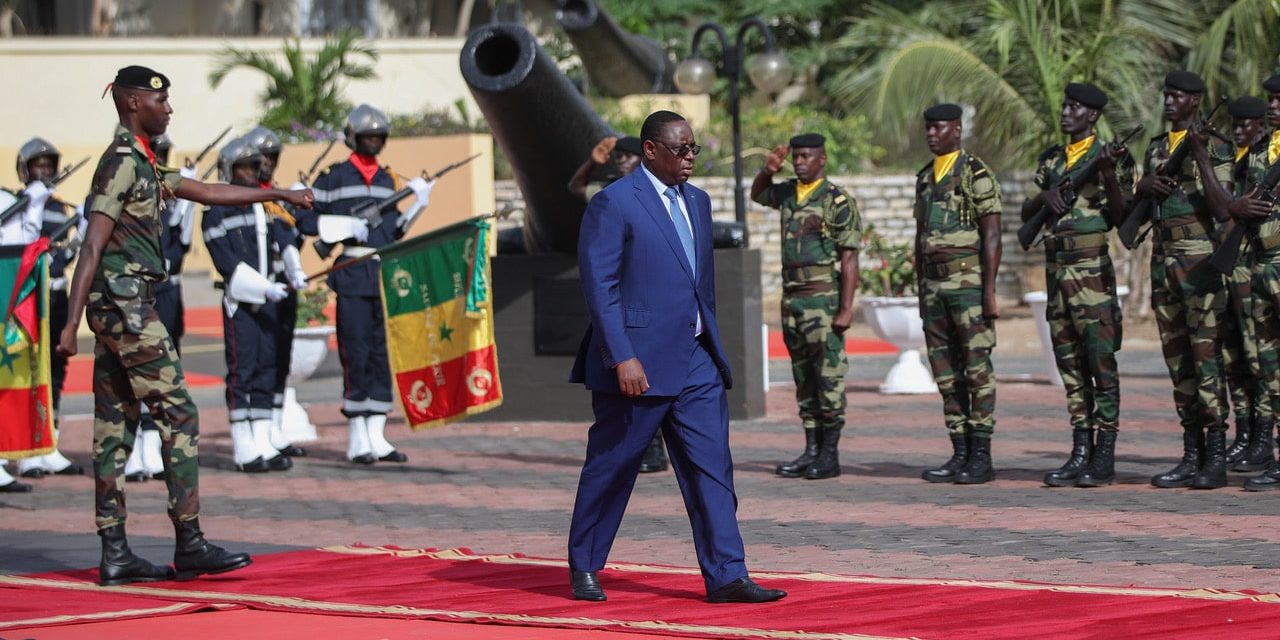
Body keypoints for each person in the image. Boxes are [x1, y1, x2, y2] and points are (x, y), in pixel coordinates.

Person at [56, 65, 314, 586]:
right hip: (126, 307)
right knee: (180, 414)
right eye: (160, 101)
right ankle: (190, 542)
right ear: (133, 104)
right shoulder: (122, 163)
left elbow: (204, 191)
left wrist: (277, 195)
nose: (168, 109)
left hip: (121, 307)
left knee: (115, 425)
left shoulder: (144, 163)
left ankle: (116, 552)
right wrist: (68, 326)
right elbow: (92, 244)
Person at [567, 110, 786, 604]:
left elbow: (697, 283)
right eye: (680, 149)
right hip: (637, 364)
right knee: (612, 466)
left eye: (694, 149)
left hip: (697, 360)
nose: (690, 157)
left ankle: (728, 574)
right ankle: (584, 564)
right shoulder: (614, 203)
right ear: (650, 149)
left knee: (712, 468)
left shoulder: (700, 202)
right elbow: (600, 287)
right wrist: (621, 355)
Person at [300, 104, 430, 465]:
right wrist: (342, 226)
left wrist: (418, 205)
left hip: (382, 271)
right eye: (366, 136)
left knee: (379, 353)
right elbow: (308, 220)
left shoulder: (389, 180)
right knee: (355, 352)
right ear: (352, 138)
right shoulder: (334, 177)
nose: (373, 141)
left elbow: (392, 232)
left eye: (378, 136)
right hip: (353, 272)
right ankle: (358, 437)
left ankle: (377, 434)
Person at [1021, 84, 1133, 488]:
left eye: (1076, 107)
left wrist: (1106, 174)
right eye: (1065, 104)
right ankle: (1080, 448)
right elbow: (1026, 213)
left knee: (1099, 361)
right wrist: (1046, 196)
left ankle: (1104, 453)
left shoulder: (1112, 157)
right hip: (1057, 272)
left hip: (1091, 274)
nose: (1066, 112)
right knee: (1069, 363)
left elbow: (1123, 218)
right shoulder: (1052, 158)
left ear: (1093, 116)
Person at [1132, 71, 1234, 490]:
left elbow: (1223, 208)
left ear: (1196, 100)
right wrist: (1144, 184)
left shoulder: (1218, 147)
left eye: (1178, 96)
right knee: (1179, 362)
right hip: (1163, 266)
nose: (1169, 101)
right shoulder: (1157, 148)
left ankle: (1215, 457)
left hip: (1200, 268)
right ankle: (1190, 453)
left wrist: (1201, 156)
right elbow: (1140, 205)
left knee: (1207, 361)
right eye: (1167, 94)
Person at [751, 133, 861, 480]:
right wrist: (767, 171)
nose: (798, 162)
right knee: (803, 377)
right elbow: (757, 194)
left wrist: (845, 309)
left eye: (805, 157)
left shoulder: (836, 200)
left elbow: (849, 258)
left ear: (822, 159)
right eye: (795, 157)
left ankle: (830, 454)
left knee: (828, 375)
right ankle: (811, 449)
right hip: (792, 299)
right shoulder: (786, 193)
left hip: (822, 299)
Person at [567, 134, 670, 473]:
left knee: (651, 374)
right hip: (619, 295)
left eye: (630, 156)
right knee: (626, 379)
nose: (624, 161)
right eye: (619, 157)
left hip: (648, 295)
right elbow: (575, 189)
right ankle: (640, 448)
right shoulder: (610, 195)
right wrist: (592, 161)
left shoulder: (658, 193)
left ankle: (654, 449)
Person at [914, 103, 1003, 485]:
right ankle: (959, 451)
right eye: (928, 128)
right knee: (946, 372)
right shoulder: (924, 178)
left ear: (957, 129)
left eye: (939, 127)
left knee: (976, 370)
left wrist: (989, 292)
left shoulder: (976, 173)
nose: (932, 134)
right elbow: (920, 236)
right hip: (933, 289)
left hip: (967, 286)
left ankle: (981, 455)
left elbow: (993, 234)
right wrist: (920, 287)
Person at [202, 137, 299, 474]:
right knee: (242, 370)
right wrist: (263, 287)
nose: (248, 172)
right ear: (229, 169)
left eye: (253, 166)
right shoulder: (215, 211)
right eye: (242, 166)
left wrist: (293, 270)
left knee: (267, 368)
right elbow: (226, 262)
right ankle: (243, 443)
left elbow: (283, 240)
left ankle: (262, 437)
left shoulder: (265, 206)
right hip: (241, 301)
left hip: (270, 297)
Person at [13, 137, 86, 479]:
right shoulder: (16, 205)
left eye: (49, 165)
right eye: (38, 165)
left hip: (56, 294)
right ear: (24, 169)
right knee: (26, 370)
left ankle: (50, 441)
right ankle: (25, 448)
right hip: (27, 299)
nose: (44, 171)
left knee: (55, 368)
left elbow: (68, 252)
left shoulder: (60, 208)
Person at [122, 132, 192, 482]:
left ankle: (157, 446)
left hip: (164, 290)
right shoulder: (122, 184)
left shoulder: (169, 193)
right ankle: (132, 448)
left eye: (163, 152)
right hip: (132, 294)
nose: (158, 157)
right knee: (132, 373)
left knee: (166, 369)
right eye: (154, 151)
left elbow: (180, 245)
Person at [244, 125, 309, 460]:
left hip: (284, 284)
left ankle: (275, 427)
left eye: (272, 157)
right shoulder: (248, 197)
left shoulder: (280, 197)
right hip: (257, 287)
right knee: (260, 360)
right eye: (262, 157)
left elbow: (294, 237)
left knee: (281, 357)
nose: (268, 163)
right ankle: (256, 432)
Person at [1219, 97, 1274, 475]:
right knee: (1234, 355)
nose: (1239, 130)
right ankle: (1244, 431)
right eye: (1234, 124)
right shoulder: (1243, 156)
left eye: (1246, 124)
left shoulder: (1263, 155)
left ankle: (1261, 436)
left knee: (1259, 355)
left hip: (1256, 264)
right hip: (1235, 264)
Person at [1232, 78, 1280, 491]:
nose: (1274, 105)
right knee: (1270, 366)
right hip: (1262, 266)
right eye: (1272, 99)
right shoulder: (1262, 152)